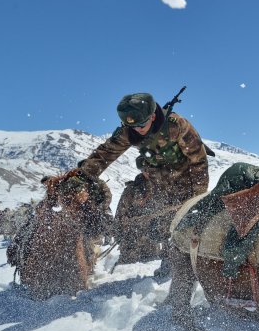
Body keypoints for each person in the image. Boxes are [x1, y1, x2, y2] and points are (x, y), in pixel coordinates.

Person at [77, 92, 209, 276]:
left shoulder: (176, 126)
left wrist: (198, 198)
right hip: (156, 183)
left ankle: (177, 262)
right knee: (143, 215)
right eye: (132, 126)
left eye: (141, 125)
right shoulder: (129, 130)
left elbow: (199, 161)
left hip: (185, 183)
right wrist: (82, 176)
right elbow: (105, 153)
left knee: (181, 225)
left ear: (152, 116)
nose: (137, 130)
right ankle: (139, 253)